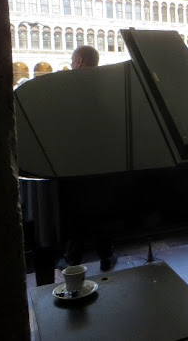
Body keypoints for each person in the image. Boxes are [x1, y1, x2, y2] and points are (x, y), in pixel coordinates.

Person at [59, 46, 117, 272]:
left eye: (73, 61)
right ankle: (106, 255)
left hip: (76, 160)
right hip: (103, 159)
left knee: (76, 213)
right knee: (103, 211)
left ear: (80, 61)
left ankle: (72, 259)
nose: (72, 65)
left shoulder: (68, 86)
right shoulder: (107, 85)